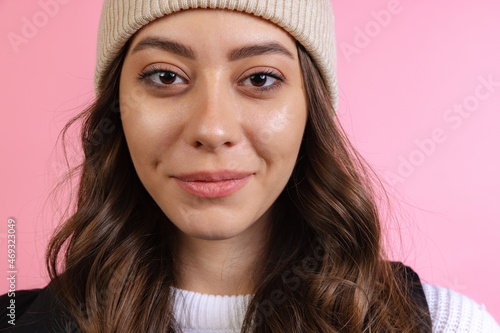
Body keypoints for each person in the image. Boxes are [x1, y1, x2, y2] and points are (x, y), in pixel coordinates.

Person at [1, 0, 499, 332]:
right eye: (165, 76)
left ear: (312, 109)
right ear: (117, 107)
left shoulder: (447, 324)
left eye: (260, 78)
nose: (213, 128)